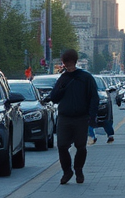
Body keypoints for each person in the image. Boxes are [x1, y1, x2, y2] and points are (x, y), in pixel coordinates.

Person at [42, 49, 99, 185]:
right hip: (64, 117)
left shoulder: (86, 78)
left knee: (81, 146)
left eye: (69, 62)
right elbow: (55, 98)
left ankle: (78, 170)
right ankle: (67, 171)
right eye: (66, 63)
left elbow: (94, 98)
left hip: (81, 117)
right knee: (62, 146)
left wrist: (92, 116)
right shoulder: (63, 78)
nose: (68, 65)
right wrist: (61, 87)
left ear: (75, 61)